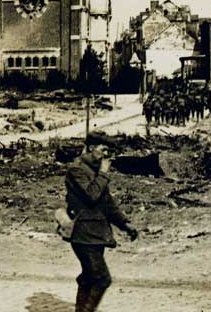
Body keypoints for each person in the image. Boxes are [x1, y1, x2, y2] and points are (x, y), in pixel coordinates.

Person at [64, 130, 138, 312]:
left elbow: (107, 203)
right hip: (84, 234)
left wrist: (124, 224)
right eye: (103, 150)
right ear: (91, 147)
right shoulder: (76, 169)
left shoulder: (94, 172)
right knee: (102, 279)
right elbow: (91, 195)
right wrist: (104, 174)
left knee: (89, 277)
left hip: (96, 234)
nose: (106, 156)